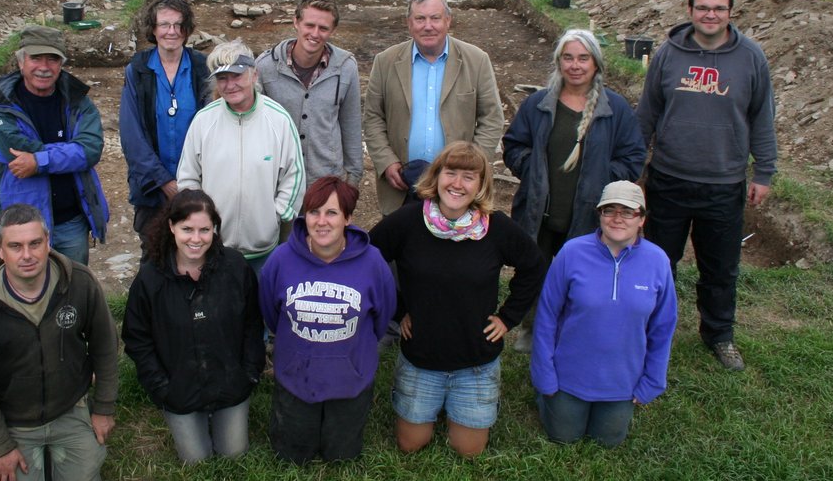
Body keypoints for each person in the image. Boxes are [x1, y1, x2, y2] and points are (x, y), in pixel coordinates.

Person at [369, 141, 547, 457]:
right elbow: (367, 260)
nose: (457, 183)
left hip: (475, 362)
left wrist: (508, 318)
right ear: (436, 176)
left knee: (468, 451)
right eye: (450, 172)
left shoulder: (496, 228)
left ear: (480, 185)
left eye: (469, 176)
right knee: (411, 445)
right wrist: (397, 310)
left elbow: (533, 265)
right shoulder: (408, 222)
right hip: (421, 358)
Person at [636, 0, 777, 372]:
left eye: (718, 8)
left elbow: (762, 119)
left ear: (730, 12)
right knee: (658, 262)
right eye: (703, 8)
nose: (710, 15)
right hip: (668, 179)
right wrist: (631, 169)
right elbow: (646, 114)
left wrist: (763, 172)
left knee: (720, 267)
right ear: (691, 11)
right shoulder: (668, 54)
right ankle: (647, 329)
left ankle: (719, 335)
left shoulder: (750, 58)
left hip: (723, 182)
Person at [0, 203, 118, 481]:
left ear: (48, 241)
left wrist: (103, 407)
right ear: (0, 249)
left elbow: (105, 346)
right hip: (16, 424)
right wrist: (1, 446)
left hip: (69, 408)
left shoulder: (80, 283)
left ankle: (62, 461)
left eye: (34, 243)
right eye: (15, 246)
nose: (26, 255)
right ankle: (32, 462)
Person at [502, 29, 647, 352]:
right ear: (558, 63)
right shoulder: (538, 105)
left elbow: (633, 155)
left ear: (595, 63)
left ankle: (574, 331)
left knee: (582, 277)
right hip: (540, 211)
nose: (575, 65)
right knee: (534, 272)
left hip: (588, 212)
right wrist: (531, 168)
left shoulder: (615, 110)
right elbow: (513, 144)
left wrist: (604, 180)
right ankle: (532, 329)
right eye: (568, 58)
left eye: (583, 58)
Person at [260, 176, 396, 463]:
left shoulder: (373, 262)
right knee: (292, 455)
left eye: (331, 212)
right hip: (297, 376)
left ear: (347, 218)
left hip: (349, 378)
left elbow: (382, 317)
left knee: (341, 456)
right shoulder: (281, 259)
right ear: (304, 216)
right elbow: (271, 314)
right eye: (313, 212)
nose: (321, 221)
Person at [530, 181, 677, 448]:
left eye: (627, 211)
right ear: (599, 214)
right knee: (564, 437)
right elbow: (547, 316)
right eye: (609, 210)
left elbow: (663, 327)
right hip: (569, 376)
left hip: (622, 380)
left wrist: (653, 381)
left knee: (607, 442)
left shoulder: (658, 261)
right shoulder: (571, 252)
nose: (617, 218)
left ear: (641, 219)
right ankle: (548, 400)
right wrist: (544, 375)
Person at [122, 190, 264, 464]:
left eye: (204, 230)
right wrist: (162, 388)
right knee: (196, 461)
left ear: (215, 230)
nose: (196, 239)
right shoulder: (151, 278)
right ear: (171, 226)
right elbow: (137, 338)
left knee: (233, 454)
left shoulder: (235, 267)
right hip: (179, 390)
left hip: (230, 384)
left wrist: (248, 373)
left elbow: (253, 324)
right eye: (187, 229)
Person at [363, 0, 505, 216]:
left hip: (457, 188)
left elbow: (491, 118)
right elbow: (373, 117)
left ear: (448, 20)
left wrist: (470, 168)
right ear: (409, 23)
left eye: (435, 18)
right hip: (402, 184)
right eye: (420, 19)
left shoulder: (477, 61)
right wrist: (386, 161)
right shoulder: (385, 62)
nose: (427, 26)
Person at [177, 40, 305, 277]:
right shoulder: (204, 121)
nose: (230, 85)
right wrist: (202, 224)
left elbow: (294, 174)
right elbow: (188, 177)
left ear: (254, 75)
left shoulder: (278, 120)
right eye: (223, 78)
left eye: (237, 75)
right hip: (213, 247)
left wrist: (275, 215)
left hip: (263, 249)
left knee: (259, 308)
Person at [0, 25, 109, 266]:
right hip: (22, 226)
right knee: (26, 292)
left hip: (71, 222)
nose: (44, 67)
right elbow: (12, 148)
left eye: (52, 59)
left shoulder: (78, 102)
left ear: (61, 64)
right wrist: (69, 152)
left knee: (72, 290)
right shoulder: (2, 107)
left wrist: (38, 161)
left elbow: (90, 149)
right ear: (21, 62)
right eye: (35, 58)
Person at [120, 0, 211, 237]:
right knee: (155, 258)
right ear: (153, 28)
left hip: (199, 186)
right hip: (152, 190)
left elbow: (212, 127)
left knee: (198, 253)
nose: (172, 31)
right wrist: (165, 182)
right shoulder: (137, 71)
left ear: (187, 28)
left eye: (178, 25)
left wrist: (190, 183)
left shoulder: (203, 68)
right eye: (164, 24)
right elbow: (132, 136)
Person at [255, 0, 363, 187]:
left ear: (333, 30)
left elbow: (351, 123)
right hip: (278, 179)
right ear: (296, 22)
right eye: (309, 25)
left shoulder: (346, 68)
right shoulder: (265, 66)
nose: (315, 33)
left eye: (323, 28)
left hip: (326, 180)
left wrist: (353, 178)